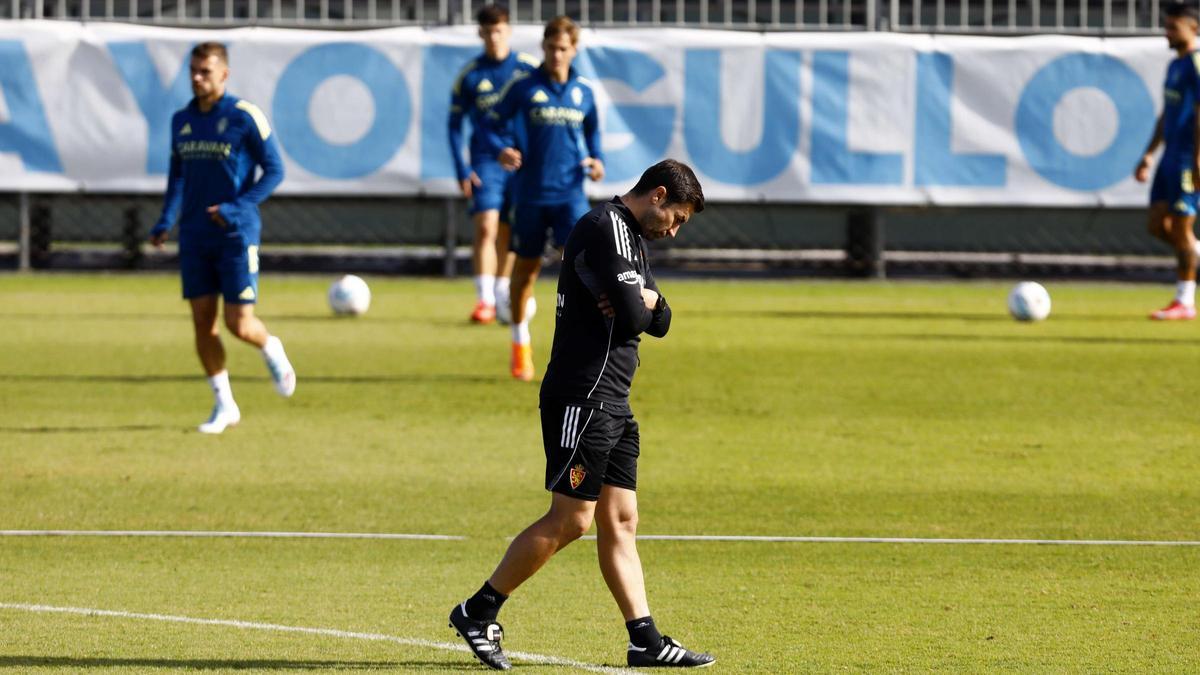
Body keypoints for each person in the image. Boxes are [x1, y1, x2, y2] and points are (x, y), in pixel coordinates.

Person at [448, 160, 715, 671]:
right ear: (658, 195)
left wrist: (647, 301)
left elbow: (660, 318)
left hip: (614, 397)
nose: (674, 231)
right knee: (571, 520)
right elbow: (639, 316)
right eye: (676, 218)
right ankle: (478, 612)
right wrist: (643, 304)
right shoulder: (602, 228)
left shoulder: (633, 237)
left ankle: (645, 641)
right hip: (583, 396)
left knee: (621, 519)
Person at [149, 41, 295, 434]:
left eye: (205, 72)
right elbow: (178, 174)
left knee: (239, 323)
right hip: (195, 236)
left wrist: (236, 207)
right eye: (193, 71)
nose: (197, 78)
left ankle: (270, 346)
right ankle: (224, 404)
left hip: (235, 234)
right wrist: (166, 220)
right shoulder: (182, 119)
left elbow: (275, 171)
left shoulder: (245, 116)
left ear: (224, 74)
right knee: (202, 323)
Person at [486, 15, 604, 380]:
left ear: (574, 50)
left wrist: (598, 161)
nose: (556, 54)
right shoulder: (523, 87)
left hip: (570, 195)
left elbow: (593, 132)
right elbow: (491, 124)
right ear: (543, 47)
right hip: (531, 195)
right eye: (551, 47)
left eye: (563, 48)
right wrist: (502, 149)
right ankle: (520, 345)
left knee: (584, 270)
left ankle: (580, 348)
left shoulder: (583, 91)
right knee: (526, 270)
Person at [449, 4, 539, 325]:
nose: (493, 37)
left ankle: (503, 292)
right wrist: (461, 169)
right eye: (487, 32)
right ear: (480, 33)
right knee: (486, 226)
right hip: (486, 159)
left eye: (499, 31)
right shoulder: (471, 75)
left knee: (511, 230)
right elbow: (454, 125)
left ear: (509, 31)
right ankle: (484, 300)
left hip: (521, 160)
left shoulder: (529, 69)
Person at [1136, 2, 1200, 320]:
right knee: (1157, 225)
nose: (1167, 32)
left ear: (1194, 29)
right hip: (1169, 157)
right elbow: (1167, 113)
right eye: (1167, 25)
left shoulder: (1196, 65)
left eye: (1174, 27)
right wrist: (1149, 153)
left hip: (1189, 158)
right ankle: (1194, 253)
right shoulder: (1175, 65)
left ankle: (1185, 301)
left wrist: (1199, 159)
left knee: (1182, 227)